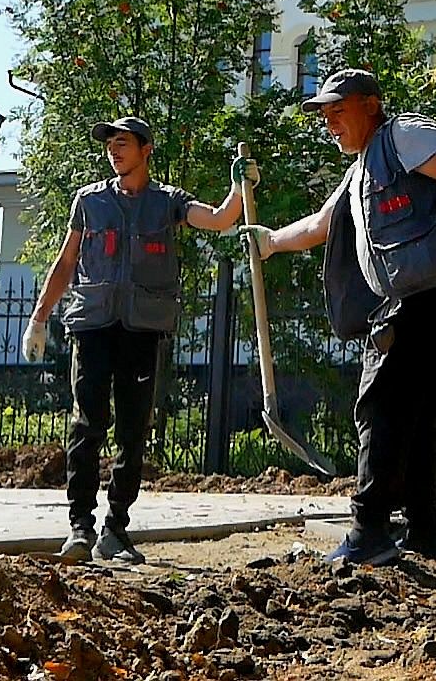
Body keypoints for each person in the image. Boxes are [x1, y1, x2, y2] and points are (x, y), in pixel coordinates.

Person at [242, 69, 436, 565]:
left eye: (339, 111)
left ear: (371, 105)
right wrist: (270, 241)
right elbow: (320, 225)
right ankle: (422, 530)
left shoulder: (403, 135)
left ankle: (368, 530)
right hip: (426, 298)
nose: (330, 123)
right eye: (325, 116)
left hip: (431, 295)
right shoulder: (358, 174)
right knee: (415, 414)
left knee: (379, 405)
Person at [21, 115, 255, 563]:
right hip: (91, 326)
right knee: (87, 426)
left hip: (142, 330)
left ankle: (115, 530)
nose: (114, 150)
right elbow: (66, 261)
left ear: (146, 150)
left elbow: (222, 219)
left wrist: (239, 186)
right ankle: (80, 528)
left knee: (132, 432)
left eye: (123, 143)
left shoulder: (167, 202)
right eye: (110, 144)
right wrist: (39, 317)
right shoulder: (89, 201)